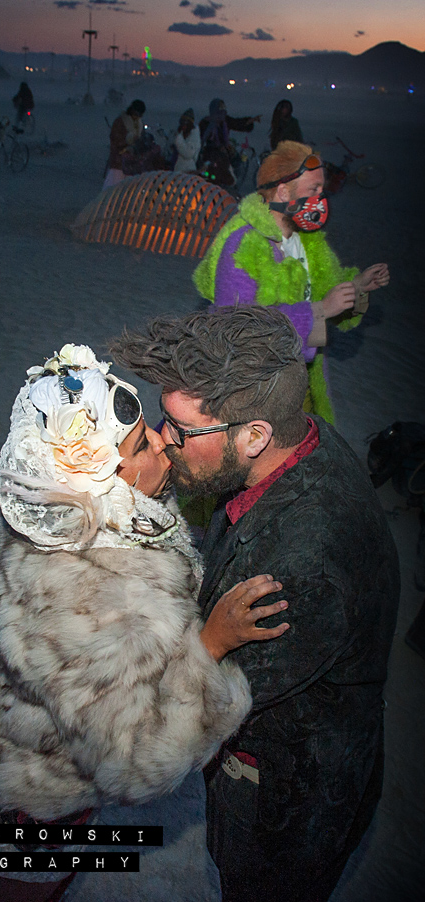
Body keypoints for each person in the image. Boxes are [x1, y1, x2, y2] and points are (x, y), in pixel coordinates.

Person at [0, 341, 289, 902]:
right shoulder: (91, 605)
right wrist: (209, 647)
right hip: (33, 794)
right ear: (103, 479)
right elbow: (137, 763)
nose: (158, 440)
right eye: (138, 443)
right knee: (25, 887)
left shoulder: (67, 515)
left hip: (20, 731)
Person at [110, 305, 400, 902]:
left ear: (254, 435)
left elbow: (192, 709)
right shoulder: (297, 443)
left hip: (287, 802)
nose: (163, 443)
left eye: (180, 432)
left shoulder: (300, 570)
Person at [193, 140, 390, 422]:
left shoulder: (308, 243)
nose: (322, 198)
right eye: (314, 189)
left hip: (300, 388)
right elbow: (235, 325)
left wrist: (358, 285)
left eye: (322, 190)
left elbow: (328, 296)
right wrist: (319, 311)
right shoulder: (245, 245)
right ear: (283, 191)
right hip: (256, 394)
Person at [197, 98, 261, 188]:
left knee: (237, 163)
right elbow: (200, 138)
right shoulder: (205, 123)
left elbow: (237, 123)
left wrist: (250, 121)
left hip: (224, 151)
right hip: (210, 152)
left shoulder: (225, 121)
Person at [103, 98, 146, 189]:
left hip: (132, 162)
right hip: (119, 162)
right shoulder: (120, 122)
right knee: (113, 187)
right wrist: (128, 141)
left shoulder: (139, 124)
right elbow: (115, 139)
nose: (137, 117)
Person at [173, 107, 201, 173]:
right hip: (180, 170)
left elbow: (188, 154)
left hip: (187, 171)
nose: (183, 126)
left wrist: (178, 139)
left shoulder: (194, 138)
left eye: (185, 124)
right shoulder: (183, 135)